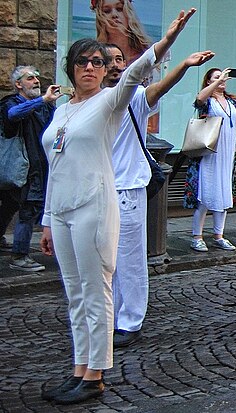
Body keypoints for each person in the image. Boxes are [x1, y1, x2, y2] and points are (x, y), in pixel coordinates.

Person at [38, 9, 194, 405]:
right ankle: (78, 368)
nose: (91, 67)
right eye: (83, 62)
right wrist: (46, 222)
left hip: (95, 205)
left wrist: (168, 39)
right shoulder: (62, 110)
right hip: (62, 209)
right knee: (74, 293)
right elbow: (54, 170)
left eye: (98, 62)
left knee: (96, 290)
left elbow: (135, 76)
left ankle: (95, 375)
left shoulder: (110, 101)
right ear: (70, 69)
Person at [103, 44, 215, 348]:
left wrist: (185, 64)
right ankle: (108, 316)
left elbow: (161, 87)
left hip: (127, 188)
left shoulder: (135, 98)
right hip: (98, 190)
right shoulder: (95, 101)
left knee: (128, 257)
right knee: (104, 259)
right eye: (107, 60)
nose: (114, 65)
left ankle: (131, 319)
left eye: (119, 60)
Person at [185, 67, 236, 252]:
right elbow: (198, 100)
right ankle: (197, 236)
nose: (222, 80)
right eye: (217, 77)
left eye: (223, 77)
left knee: (224, 194)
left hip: (228, 155)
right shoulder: (208, 102)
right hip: (209, 154)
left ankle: (219, 235)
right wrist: (216, 84)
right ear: (209, 81)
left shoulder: (232, 102)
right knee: (205, 194)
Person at [0, 66, 57, 272]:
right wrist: (43, 100)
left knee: (10, 205)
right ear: (18, 84)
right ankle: (20, 255)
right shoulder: (11, 102)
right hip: (22, 167)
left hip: (39, 165)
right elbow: (13, 115)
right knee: (28, 208)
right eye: (30, 78)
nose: (36, 81)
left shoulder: (44, 105)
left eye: (37, 78)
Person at [91, 0, 151, 65]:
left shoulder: (148, 55)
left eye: (119, 9)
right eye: (107, 11)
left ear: (129, 13)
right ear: (100, 19)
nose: (114, 15)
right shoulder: (96, 58)